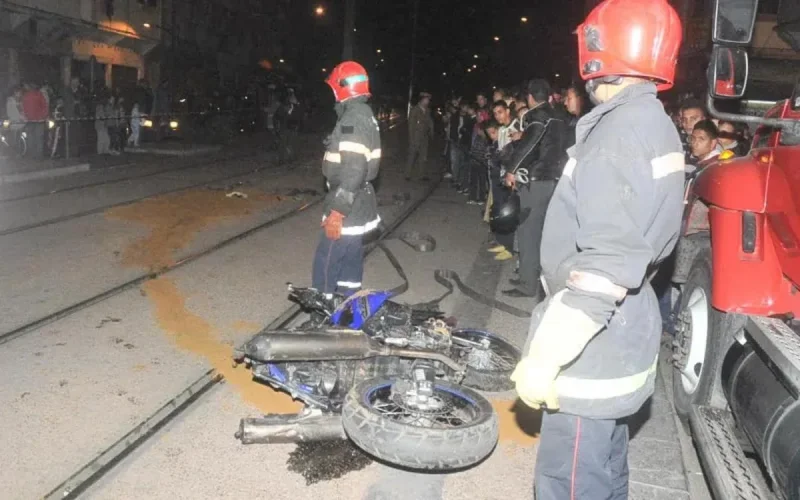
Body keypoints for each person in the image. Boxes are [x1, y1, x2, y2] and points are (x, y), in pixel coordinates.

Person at [511, 1, 684, 498]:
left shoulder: (618, 134)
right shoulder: (652, 122)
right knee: (605, 471)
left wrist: (548, 354)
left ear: (598, 48)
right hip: (626, 326)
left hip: (593, 344)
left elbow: (606, 262)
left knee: (570, 480)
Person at [312, 61, 381, 303]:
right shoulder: (362, 113)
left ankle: (323, 303)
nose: (332, 91)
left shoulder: (354, 117)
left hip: (347, 200)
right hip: (359, 199)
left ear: (343, 87)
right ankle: (348, 300)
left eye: (334, 87)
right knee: (351, 255)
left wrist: (338, 212)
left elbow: (354, 168)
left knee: (328, 257)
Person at [502, 79, 569, 299]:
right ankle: (532, 276)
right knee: (539, 231)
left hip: (535, 180)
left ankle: (527, 284)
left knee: (528, 232)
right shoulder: (559, 115)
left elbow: (529, 146)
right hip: (552, 179)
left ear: (530, 97)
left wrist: (512, 169)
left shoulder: (537, 116)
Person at [406, 91, 434, 181]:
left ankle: (421, 175)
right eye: (426, 100)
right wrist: (412, 139)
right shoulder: (415, 110)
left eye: (428, 100)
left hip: (424, 138)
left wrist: (431, 133)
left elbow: (430, 122)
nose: (427, 102)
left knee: (423, 157)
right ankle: (407, 174)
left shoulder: (427, 110)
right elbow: (411, 126)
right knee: (412, 156)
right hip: (416, 137)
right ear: (422, 100)